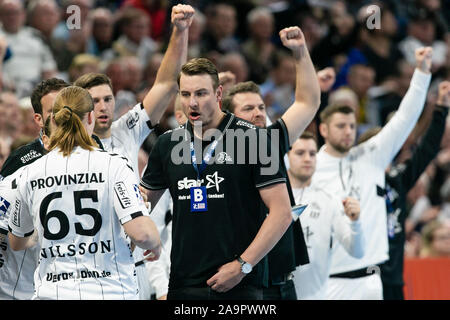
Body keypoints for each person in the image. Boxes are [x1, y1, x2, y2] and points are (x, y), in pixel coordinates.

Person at [140, 57, 292, 300]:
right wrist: (142, 232)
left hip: (239, 282)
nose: (192, 103)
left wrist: (243, 265)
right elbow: (143, 203)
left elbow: (282, 213)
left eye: (201, 93)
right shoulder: (167, 144)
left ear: (219, 92)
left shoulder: (254, 139)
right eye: (186, 94)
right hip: (183, 282)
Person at [73, 4, 195, 300]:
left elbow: (166, 84)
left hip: (134, 260)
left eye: (108, 99)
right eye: (94, 101)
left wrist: (180, 31)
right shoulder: (67, 148)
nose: (102, 107)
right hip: (88, 264)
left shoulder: (125, 129)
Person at [7, 86, 161, 300]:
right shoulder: (113, 165)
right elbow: (143, 234)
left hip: (53, 293)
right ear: (90, 117)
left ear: (55, 120)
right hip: (110, 291)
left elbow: (16, 242)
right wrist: (155, 243)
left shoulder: (30, 173)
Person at [312, 47, 433, 300]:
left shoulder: (371, 156)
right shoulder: (309, 165)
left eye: (352, 126)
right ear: (323, 129)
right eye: (341, 126)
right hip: (326, 281)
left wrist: (421, 73)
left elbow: (404, 118)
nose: (348, 131)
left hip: (370, 282)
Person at [221, 26, 321, 300]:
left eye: (261, 108)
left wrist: (300, 52)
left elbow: (309, 101)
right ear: (227, 118)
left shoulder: (270, 139)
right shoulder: (215, 152)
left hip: (282, 282)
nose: (257, 114)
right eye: (248, 109)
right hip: (243, 283)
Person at [357, 80, 450, 299]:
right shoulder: (351, 185)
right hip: (359, 282)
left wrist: (441, 109)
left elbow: (426, 150)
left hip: (393, 281)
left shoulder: (398, 179)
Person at [287, 132, 364, 300]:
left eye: (312, 154)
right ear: (286, 156)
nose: (307, 159)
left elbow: (357, 252)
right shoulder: (273, 197)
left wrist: (355, 222)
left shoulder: (330, 200)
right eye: (300, 153)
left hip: (318, 296)